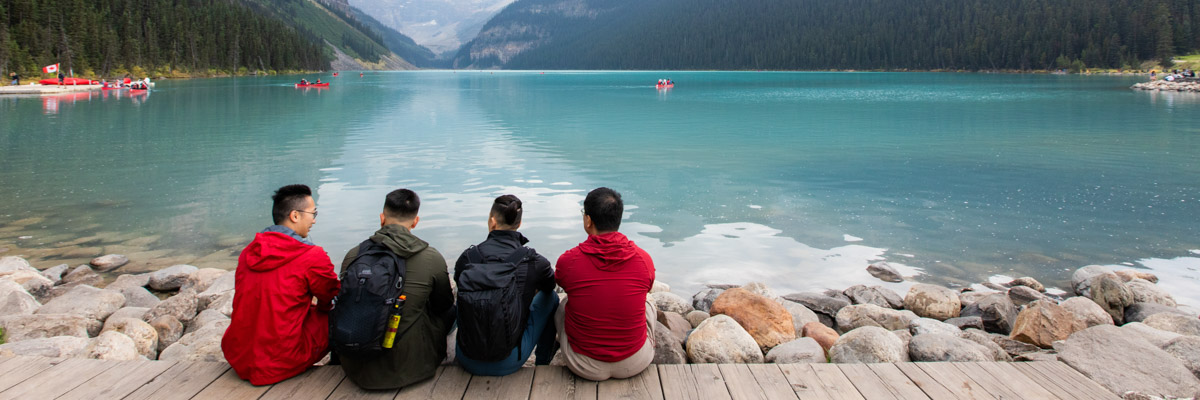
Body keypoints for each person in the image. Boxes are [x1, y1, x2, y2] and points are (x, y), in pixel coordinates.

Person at [222, 184, 340, 386]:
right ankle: (340, 369)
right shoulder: (310, 255)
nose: (314, 219)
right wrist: (321, 310)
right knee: (341, 313)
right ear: (295, 216)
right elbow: (329, 296)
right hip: (280, 362)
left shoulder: (249, 252)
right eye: (313, 213)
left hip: (239, 357)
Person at [338, 189, 455, 390]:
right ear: (415, 221)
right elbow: (442, 306)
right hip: (412, 367)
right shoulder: (430, 257)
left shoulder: (354, 255)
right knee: (452, 307)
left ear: (382, 218)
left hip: (355, 365)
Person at [554, 187, 656, 381]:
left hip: (582, 364)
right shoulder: (643, 260)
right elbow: (648, 286)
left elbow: (561, 281)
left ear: (588, 220)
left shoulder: (569, 261)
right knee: (648, 303)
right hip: (634, 362)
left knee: (563, 305)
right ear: (618, 218)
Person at [454, 195, 558, 376]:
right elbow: (549, 286)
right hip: (509, 361)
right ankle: (542, 362)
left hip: (466, 357)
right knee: (551, 297)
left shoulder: (468, 258)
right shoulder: (534, 261)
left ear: (492, 221)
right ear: (519, 223)